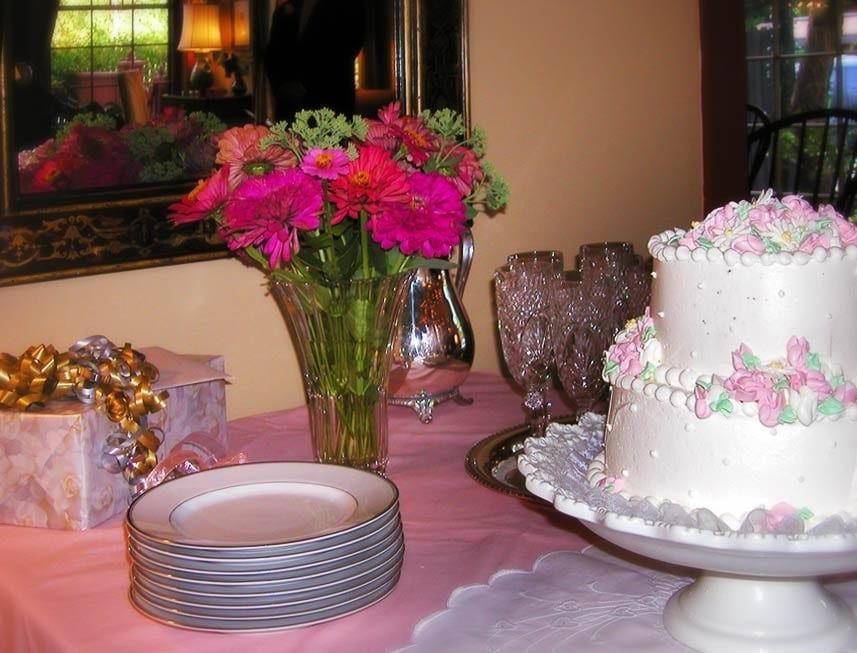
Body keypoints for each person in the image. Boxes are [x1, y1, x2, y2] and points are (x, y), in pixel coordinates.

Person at [264, 0, 367, 123]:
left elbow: (345, 51)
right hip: (290, 110)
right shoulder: (284, 11)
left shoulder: (349, 6)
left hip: (330, 106)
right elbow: (272, 56)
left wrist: (304, 84)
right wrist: (282, 86)